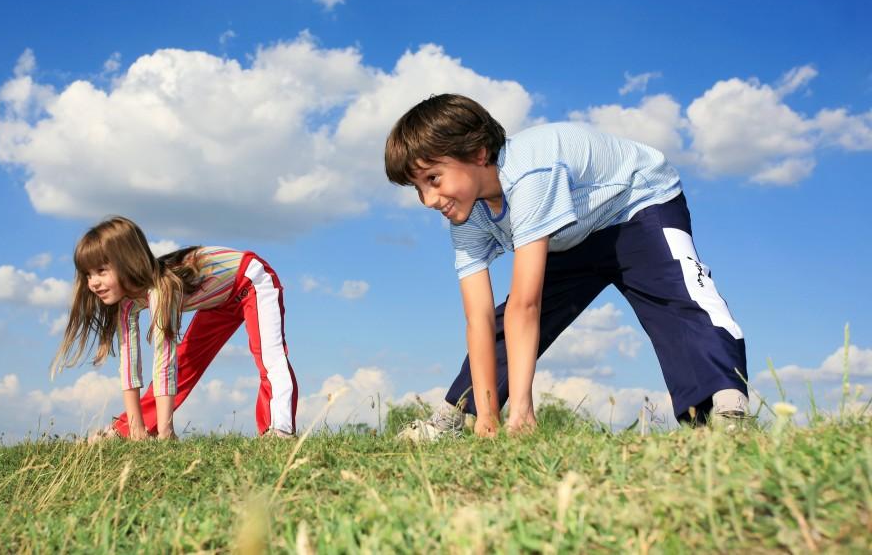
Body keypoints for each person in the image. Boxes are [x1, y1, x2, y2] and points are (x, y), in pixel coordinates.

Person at [384, 94, 749, 440]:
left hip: (637, 207)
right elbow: (477, 319)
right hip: (566, 236)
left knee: (676, 293)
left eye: (433, 179)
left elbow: (527, 305)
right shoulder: (466, 217)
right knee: (503, 323)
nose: (428, 200)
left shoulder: (529, 174)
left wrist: (523, 410)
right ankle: (457, 415)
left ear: (479, 154)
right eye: (417, 188)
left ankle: (722, 407)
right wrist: (490, 415)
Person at [52, 216, 298, 440]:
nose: (93, 282)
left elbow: (163, 358)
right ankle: (125, 430)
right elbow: (129, 364)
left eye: (101, 271)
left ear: (127, 262)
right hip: (218, 301)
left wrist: (166, 431)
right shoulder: (126, 303)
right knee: (186, 363)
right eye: (88, 274)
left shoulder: (161, 290)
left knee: (268, 356)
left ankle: (279, 429)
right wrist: (135, 426)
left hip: (250, 281)